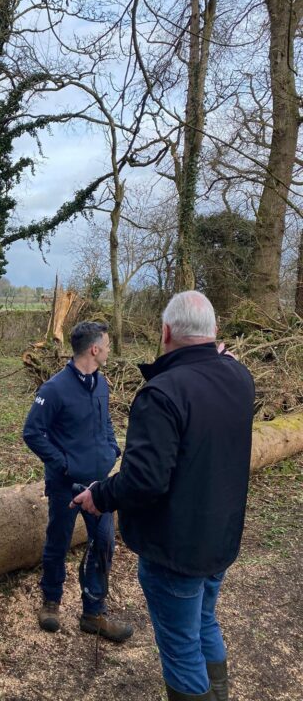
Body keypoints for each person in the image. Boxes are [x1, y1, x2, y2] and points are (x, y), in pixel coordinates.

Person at [72, 292, 255, 701]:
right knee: (204, 622)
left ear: (166, 331)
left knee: (182, 648)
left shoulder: (162, 393)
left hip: (176, 551)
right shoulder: (239, 377)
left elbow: (144, 480)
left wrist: (100, 495)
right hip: (221, 538)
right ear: (214, 331)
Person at [23, 321, 133, 642]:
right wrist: (64, 465)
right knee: (58, 541)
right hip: (66, 486)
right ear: (94, 349)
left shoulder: (101, 383)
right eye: (107, 345)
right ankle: (51, 602)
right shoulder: (54, 389)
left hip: (99, 485)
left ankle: (94, 613)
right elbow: (32, 432)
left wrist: (111, 448)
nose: (109, 350)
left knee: (105, 542)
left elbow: (106, 420)